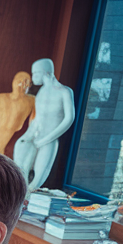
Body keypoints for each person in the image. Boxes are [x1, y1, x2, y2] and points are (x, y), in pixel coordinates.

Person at [13, 58, 76, 191]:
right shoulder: (41, 93)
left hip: (49, 140)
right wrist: (28, 135)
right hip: (34, 136)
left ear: (46, 72)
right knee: (20, 170)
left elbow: (69, 119)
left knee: (36, 181)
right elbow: (37, 119)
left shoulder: (64, 92)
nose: (33, 77)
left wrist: (47, 139)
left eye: (36, 73)